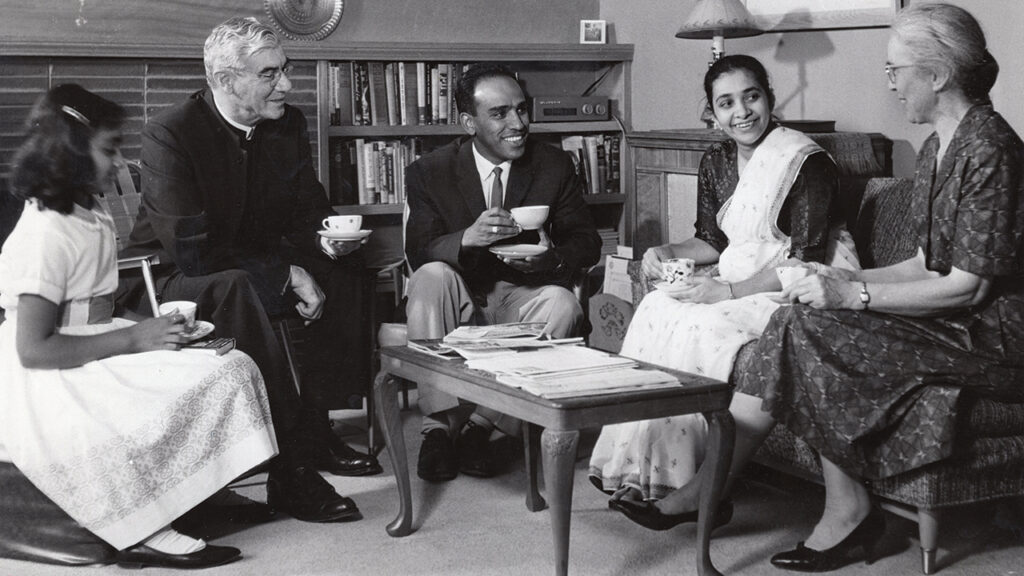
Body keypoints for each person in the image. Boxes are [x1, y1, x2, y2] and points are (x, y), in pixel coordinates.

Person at [0, 84, 276, 569]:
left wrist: (157, 330)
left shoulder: (90, 210)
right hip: (48, 373)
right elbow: (34, 349)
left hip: (92, 342)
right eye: (109, 150)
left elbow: (95, 308)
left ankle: (191, 493)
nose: (120, 162)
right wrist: (134, 339)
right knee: (145, 403)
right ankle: (143, 529)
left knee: (230, 365)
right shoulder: (44, 231)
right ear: (69, 151)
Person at [117, 17, 378, 523]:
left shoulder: (287, 123)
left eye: (285, 69)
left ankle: (317, 426)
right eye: (269, 74)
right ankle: (289, 468)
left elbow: (307, 208)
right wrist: (285, 274)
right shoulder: (171, 132)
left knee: (345, 269)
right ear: (224, 79)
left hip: (249, 264)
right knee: (239, 287)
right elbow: (191, 249)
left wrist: (327, 241)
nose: (286, 84)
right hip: (171, 278)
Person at [588, 55, 860, 518]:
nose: (742, 112)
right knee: (656, 307)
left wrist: (728, 293)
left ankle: (692, 484)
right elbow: (711, 240)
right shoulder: (717, 160)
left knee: (704, 325)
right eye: (727, 103)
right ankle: (645, 472)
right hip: (740, 274)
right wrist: (665, 250)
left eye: (751, 97)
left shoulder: (805, 161)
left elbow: (806, 258)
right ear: (712, 112)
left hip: (801, 279)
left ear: (769, 98)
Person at [404, 62, 601, 481]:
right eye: (499, 113)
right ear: (468, 123)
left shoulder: (553, 164)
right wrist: (466, 238)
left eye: (521, 109)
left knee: (563, 303)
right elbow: (419, 250)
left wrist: (549, 259)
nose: (518, 124)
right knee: (431, 276)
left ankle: (486, 426)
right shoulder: (429, 171)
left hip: (522, 296)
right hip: (460, 298)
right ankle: (439, 428)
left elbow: (587, 241)